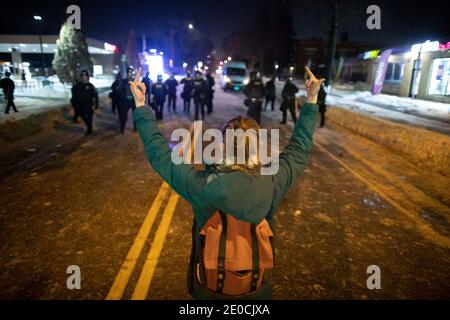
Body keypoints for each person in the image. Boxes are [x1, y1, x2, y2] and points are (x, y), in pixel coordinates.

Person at [129, 66, 324, 300]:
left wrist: (141, 106)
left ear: (223, 146)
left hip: (209, 290)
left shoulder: (203, 186)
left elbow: (159, 154)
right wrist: (311, 100)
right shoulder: (271, 182)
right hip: (256, 290)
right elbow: (299, 151)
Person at [71, 70, 99, 135]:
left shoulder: (91, 86)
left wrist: (96, 104)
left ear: (87, 77)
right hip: (81, 105)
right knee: (82, 116)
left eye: (85, 76)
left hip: (89, 105)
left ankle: (89, 130)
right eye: (83, 77)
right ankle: (88, 124)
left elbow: (95, 95)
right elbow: (74, 94)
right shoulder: (78, 86)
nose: (84, 78)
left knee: (89, 118)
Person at [117, 67, 136, 134]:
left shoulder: (135, 82)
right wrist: (124, 96)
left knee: (135, 115)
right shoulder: (123, 81)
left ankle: (135, 128)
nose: (129, 74)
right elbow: (120, 91)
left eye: (130, 72)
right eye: (128, 72)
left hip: (133, 101)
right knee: (124, 115)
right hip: (125, 101)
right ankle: (122, 128)